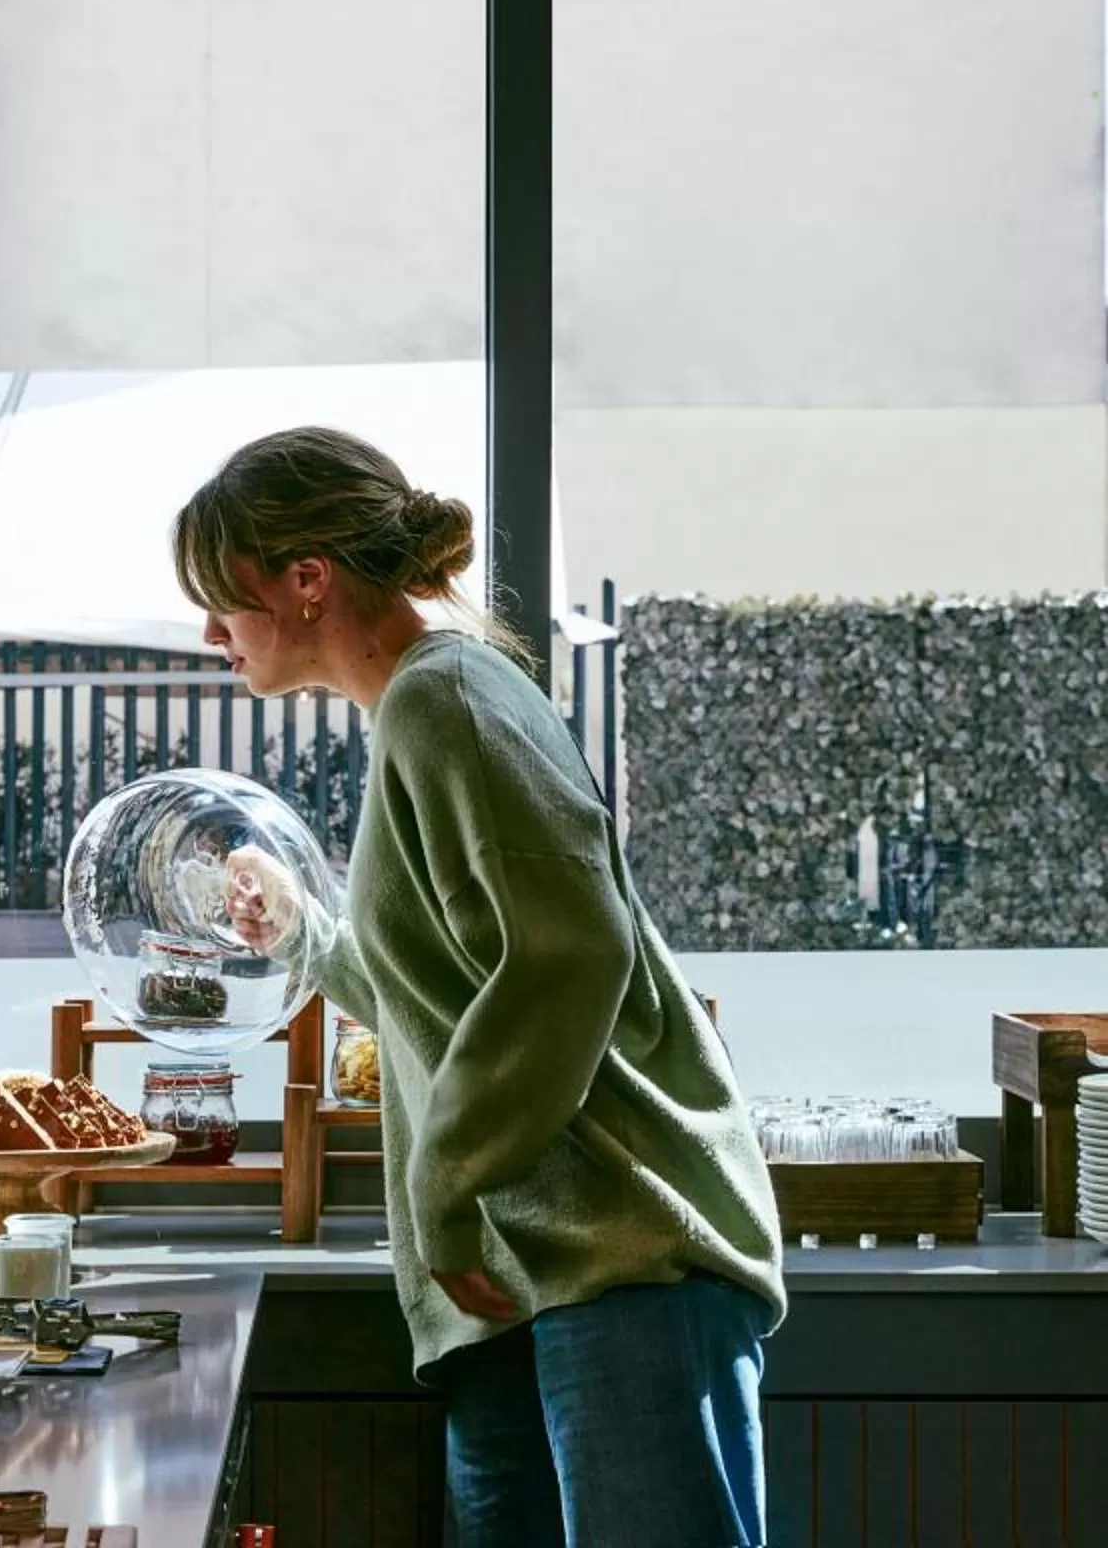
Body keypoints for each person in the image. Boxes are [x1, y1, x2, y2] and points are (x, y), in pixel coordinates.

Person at [179, 427, 785, 1548]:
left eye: (222, 595)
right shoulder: (420, 706)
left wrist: (448, 1183)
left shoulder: (442, 696)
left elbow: (573, 953)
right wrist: (306, 931)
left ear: (308, 578)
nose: (209, 630)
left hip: (620, 1252)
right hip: (533, 1270)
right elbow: (450, 991)